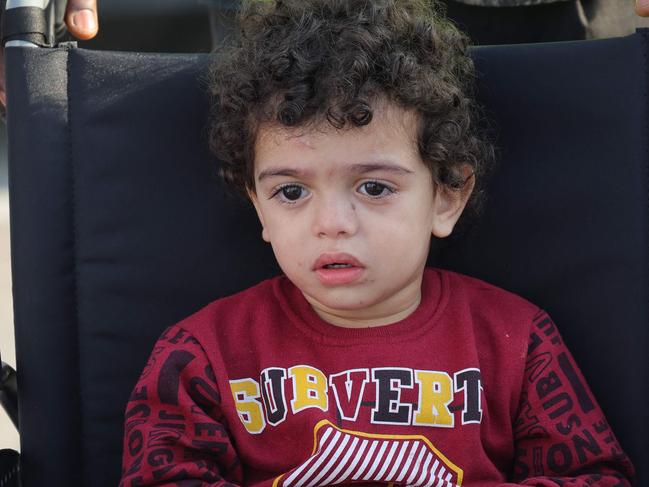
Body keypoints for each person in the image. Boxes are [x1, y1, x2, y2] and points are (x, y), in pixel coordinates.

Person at [118, 1, 635, 485]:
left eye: (374, 188)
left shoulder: (517, 342)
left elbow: (593, 475)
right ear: (259, 207)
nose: (333, 222)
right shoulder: (201, 356)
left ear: (446, 197)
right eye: (291, 192)